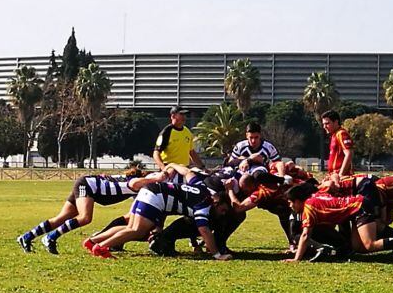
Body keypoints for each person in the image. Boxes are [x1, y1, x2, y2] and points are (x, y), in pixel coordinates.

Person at [16, 168, 167, 254]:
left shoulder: (141, 192)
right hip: (88, 186)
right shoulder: (137, 182)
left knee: (61, 218)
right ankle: (50, 237)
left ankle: (27, 237)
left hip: (88, 187)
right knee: (85, 217)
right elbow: (140, 182)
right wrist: (159, 177)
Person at [283, 181, 393, 264]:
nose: (290, 206)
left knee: (369, 244)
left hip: (360, 207)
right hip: (357, 207)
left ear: (298, 200)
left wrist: (296, 259)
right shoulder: (315, 196)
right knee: (360, 248)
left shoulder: (308, 208)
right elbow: (329, 188)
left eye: (290, 202)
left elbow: (305, 236)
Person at [89, 181, 233, 260]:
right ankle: (101, 247)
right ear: (216, 203)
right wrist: (217, 254)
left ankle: (93, 241)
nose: (223, 214)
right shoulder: (205, 204)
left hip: (151, 190)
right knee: (137, 231)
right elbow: (204, 231)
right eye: (223, 210)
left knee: (130, 227)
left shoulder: (205, 192)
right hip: (155, 196)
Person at [153, 106, 204, 171]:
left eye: (185, 115)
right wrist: (164, 169)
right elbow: (156, 153)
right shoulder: (166, 132)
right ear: (173, 116)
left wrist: (202, 167)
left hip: (184, 169)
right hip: (170, 170)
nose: (184, 117)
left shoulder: (187, 132)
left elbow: (192, 152)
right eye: (181, 114)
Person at [321, 110, 354, 176]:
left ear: (336, 122)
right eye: (323, 124)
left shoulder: (341, 133)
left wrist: (341, 174)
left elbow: (349, 153)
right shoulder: (334, 135)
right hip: (333, 175)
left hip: (340, 176)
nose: (324, 127)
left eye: (327, 123)